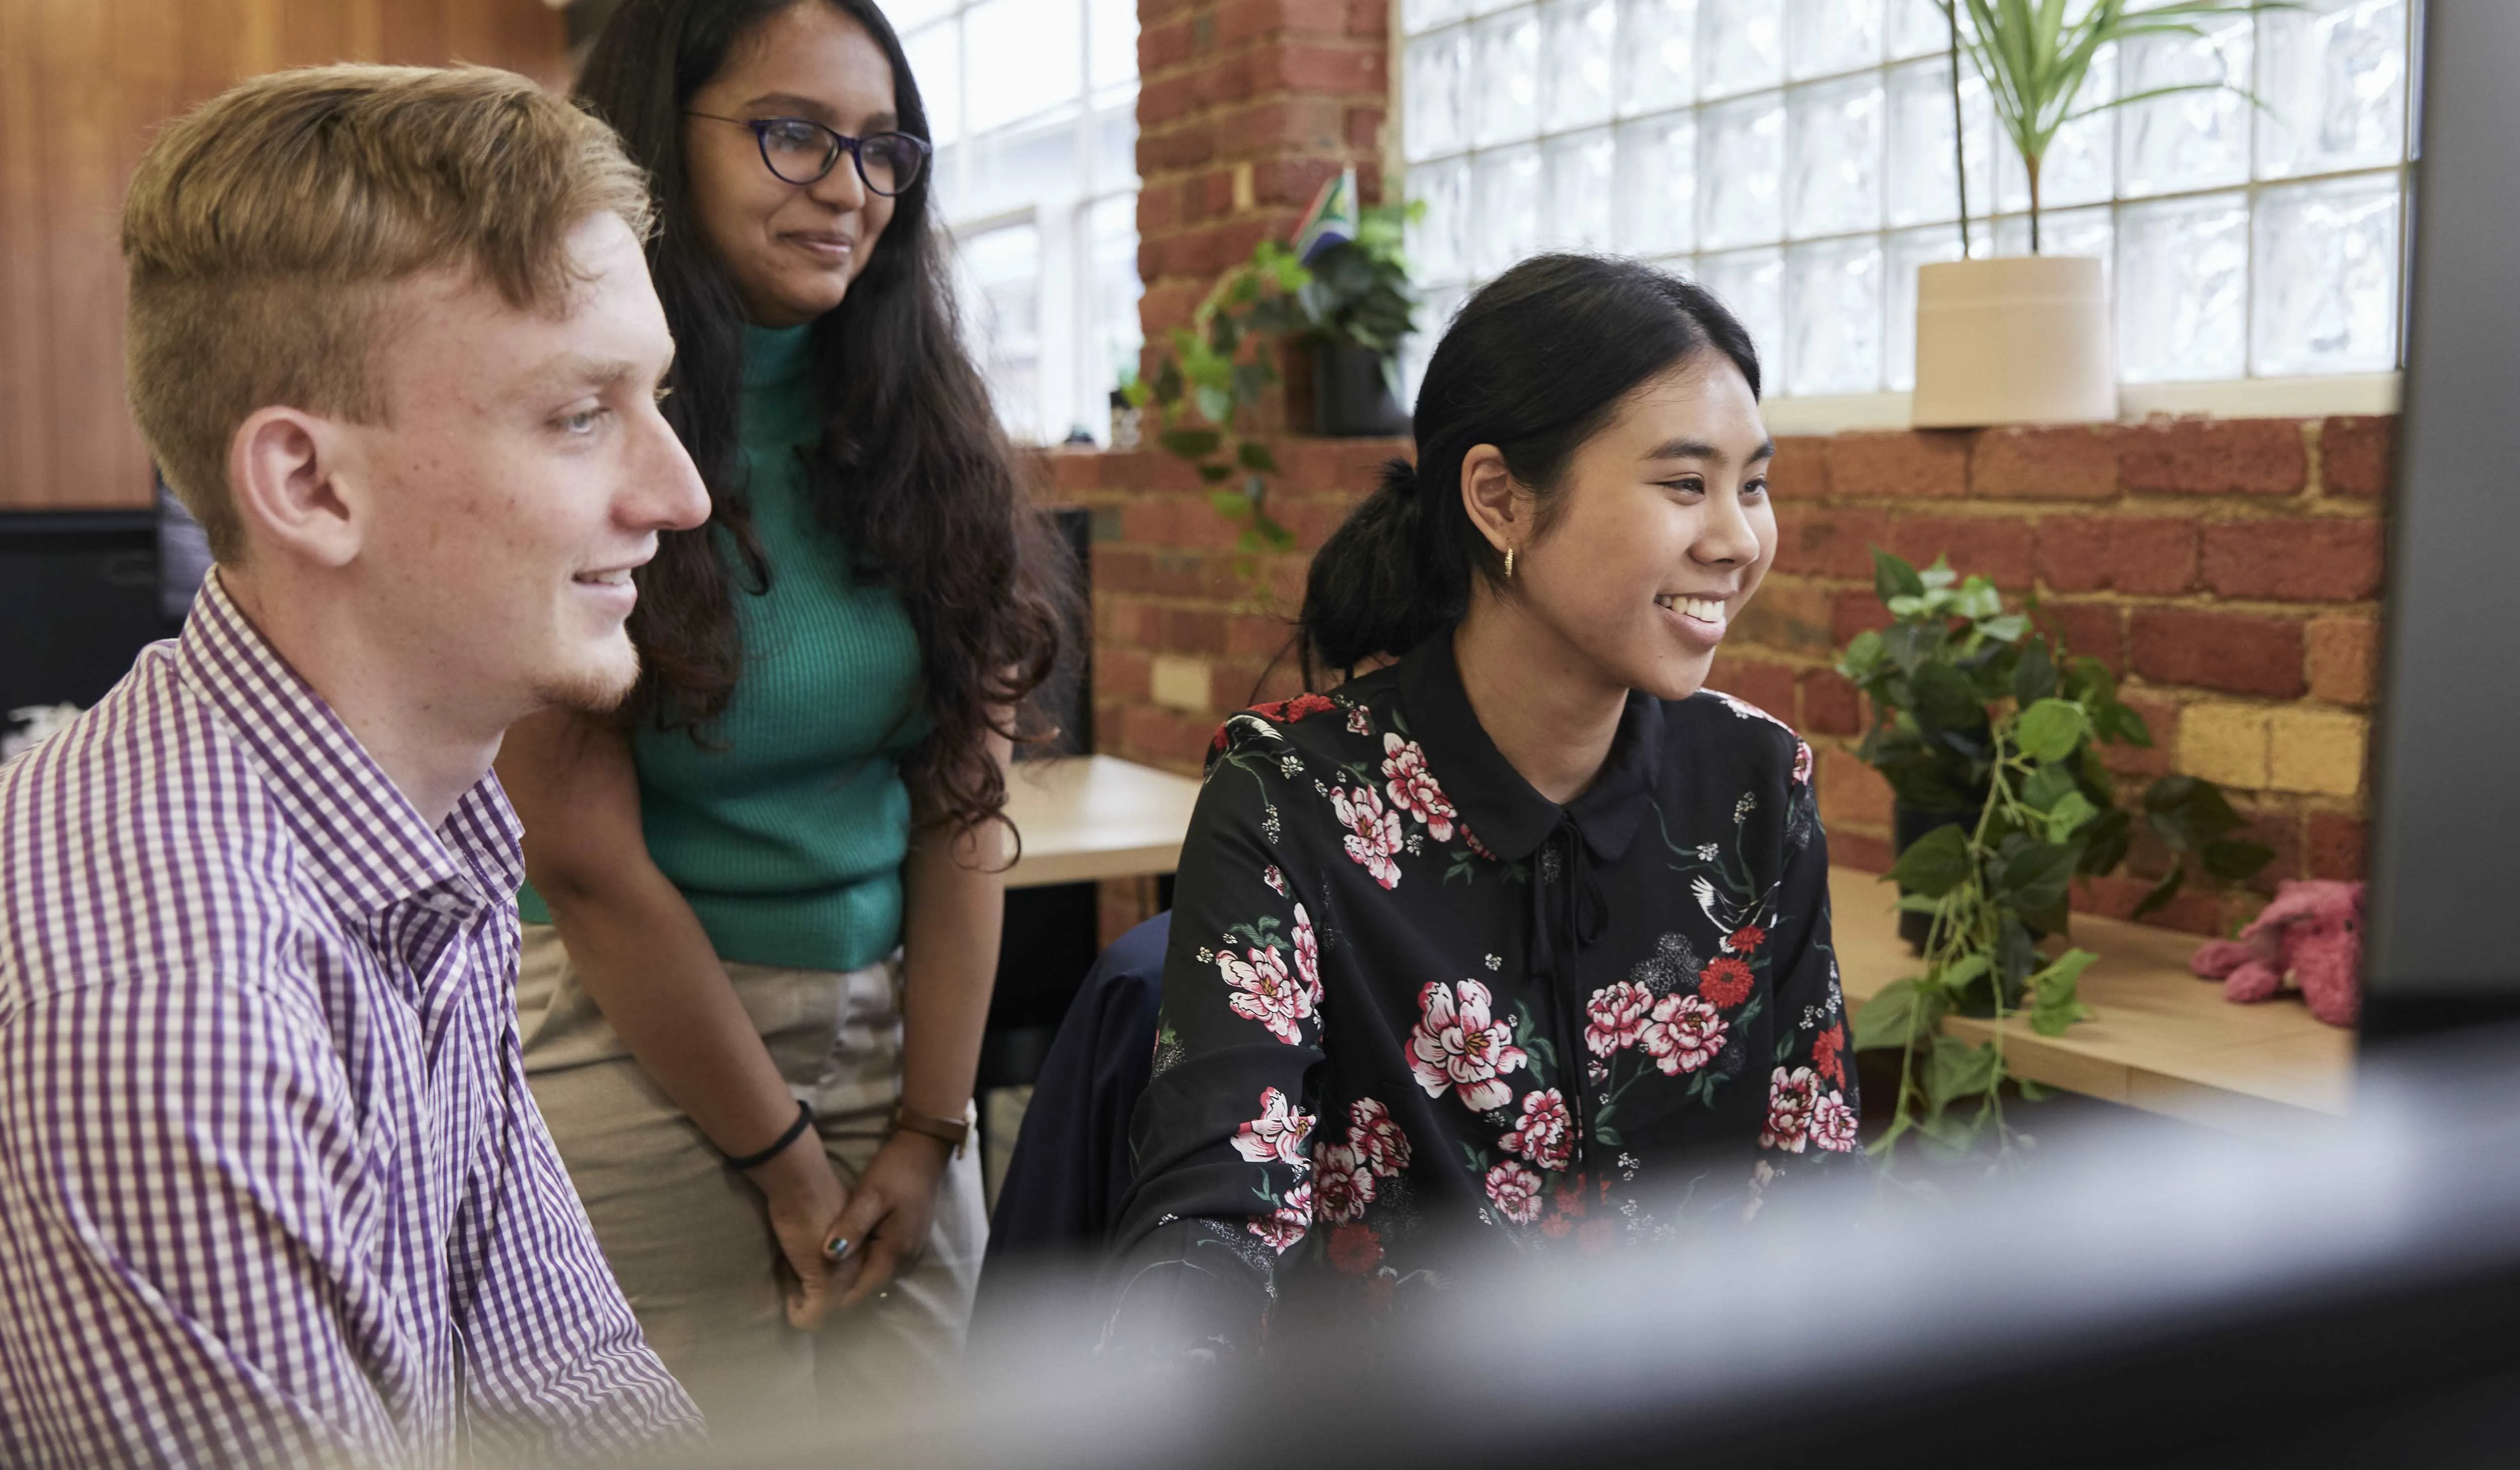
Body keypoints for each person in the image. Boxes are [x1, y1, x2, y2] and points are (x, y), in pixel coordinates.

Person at [0, 65, 708, 1461]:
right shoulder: (155, 996)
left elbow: (562, 1376)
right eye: (581, 413)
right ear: (310, 485)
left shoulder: (415, 828)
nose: (678, 490)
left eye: (658, 399)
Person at [1103, 254, 1863, 1358]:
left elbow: (1814, 1178)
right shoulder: (1289, 798)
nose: (1739, 539)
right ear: (1499, 497)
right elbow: (1216, 1214)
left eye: (1752, 484)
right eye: (1685, 484)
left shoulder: (1755, 783)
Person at [496, 0, 1070, 1429]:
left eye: (883, 151)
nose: (849, 187)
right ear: (655, 143)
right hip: (634, 1037)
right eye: (792, 134)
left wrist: (931, 1131)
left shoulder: (924, 424)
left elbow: (961, 810)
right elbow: (582, 861)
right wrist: (788, 1163)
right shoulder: (562, 424)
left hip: (895, 1032)